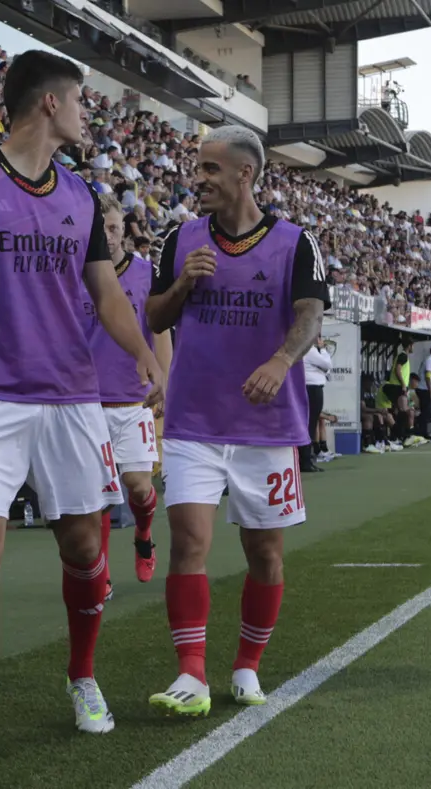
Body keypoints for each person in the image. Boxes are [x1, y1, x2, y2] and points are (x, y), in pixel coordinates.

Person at [0, 50, 164, 774]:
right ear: (50, 102)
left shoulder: (80, 192)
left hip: (71, 396)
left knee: (82, 546)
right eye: (81, 99)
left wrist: (141, 351)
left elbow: (106, 292)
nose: (87, 112)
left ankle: (83, 675)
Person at [144, 126, 330, 716]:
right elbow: (153, 313)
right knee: (189, 544)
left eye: (210, 169)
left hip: (266, 427)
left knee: (265, 554)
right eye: (198, 168)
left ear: (244, 174)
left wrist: (280, 360)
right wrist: (182, 284)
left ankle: (247, 665)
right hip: (195, 419)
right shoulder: (181, 238)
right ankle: (191, 675)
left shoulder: (296, 243)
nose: (198, 178)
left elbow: (310, 316)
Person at [87, 192, 174, 595]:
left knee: (138, 486)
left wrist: (164, 381)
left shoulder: (145, 272)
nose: (109, 235)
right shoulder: (76, 272)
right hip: (86, 401)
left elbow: (159, 330)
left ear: (125, 229)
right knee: (99, 496)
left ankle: (143, 533)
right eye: (103, 227)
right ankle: (100, 574)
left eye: (115, 227)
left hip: (133, 399)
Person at [299, 336, 331, 472]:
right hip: (313, 388)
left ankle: (307, 458)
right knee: (310, 424)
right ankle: (306, 460)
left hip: (310, 388)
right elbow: (327, 365)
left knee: (310, 424)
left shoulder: (307, 350)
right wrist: (323, 350)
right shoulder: (310, 351)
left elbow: (327, 370)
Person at [415, 344, 431, 439]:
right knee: (426, 412)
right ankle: (420, 431)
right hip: (424, 389)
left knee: (427, 412)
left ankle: (422, 432)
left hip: (424, 389)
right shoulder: (430, 360)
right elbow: (428, 376)